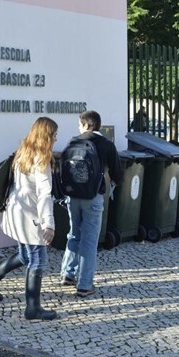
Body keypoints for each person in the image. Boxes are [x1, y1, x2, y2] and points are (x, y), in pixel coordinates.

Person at [0, 116, 59, 321]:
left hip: (17, 213)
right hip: (31, 216)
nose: (56, 139)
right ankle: (33, 308)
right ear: (46, 136)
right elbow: (44, 194)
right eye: (54, 135)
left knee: (25, 256)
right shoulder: (41, 158)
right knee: (37, 261)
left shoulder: (23, 151)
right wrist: (48, 225)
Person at [60, 110, 123, 298]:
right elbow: (118, 173)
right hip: (93, 198)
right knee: (89, 240)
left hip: (72, 196)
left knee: (74, 234)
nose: (79, 128)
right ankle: (85, 284)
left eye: (80, 124)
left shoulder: (73, 141)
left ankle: (68, 274)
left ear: (87, 125)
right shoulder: (106, 144)